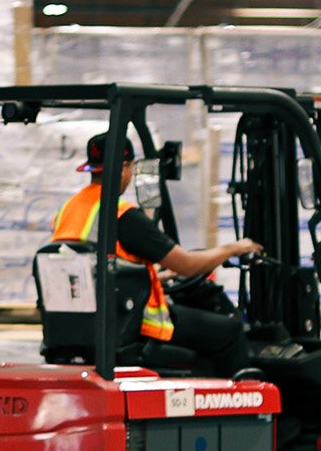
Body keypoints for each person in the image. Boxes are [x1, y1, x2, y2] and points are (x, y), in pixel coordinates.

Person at [51, 132, 262, 375]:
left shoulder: (68, 210)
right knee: (229, 333)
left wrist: (158, 278)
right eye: (130, 168)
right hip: (131, 325)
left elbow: (95, 271)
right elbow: (188, 265)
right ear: (124, 167)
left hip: (87, 323)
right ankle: (241, 408)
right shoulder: (122, 215)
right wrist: (234, 248)